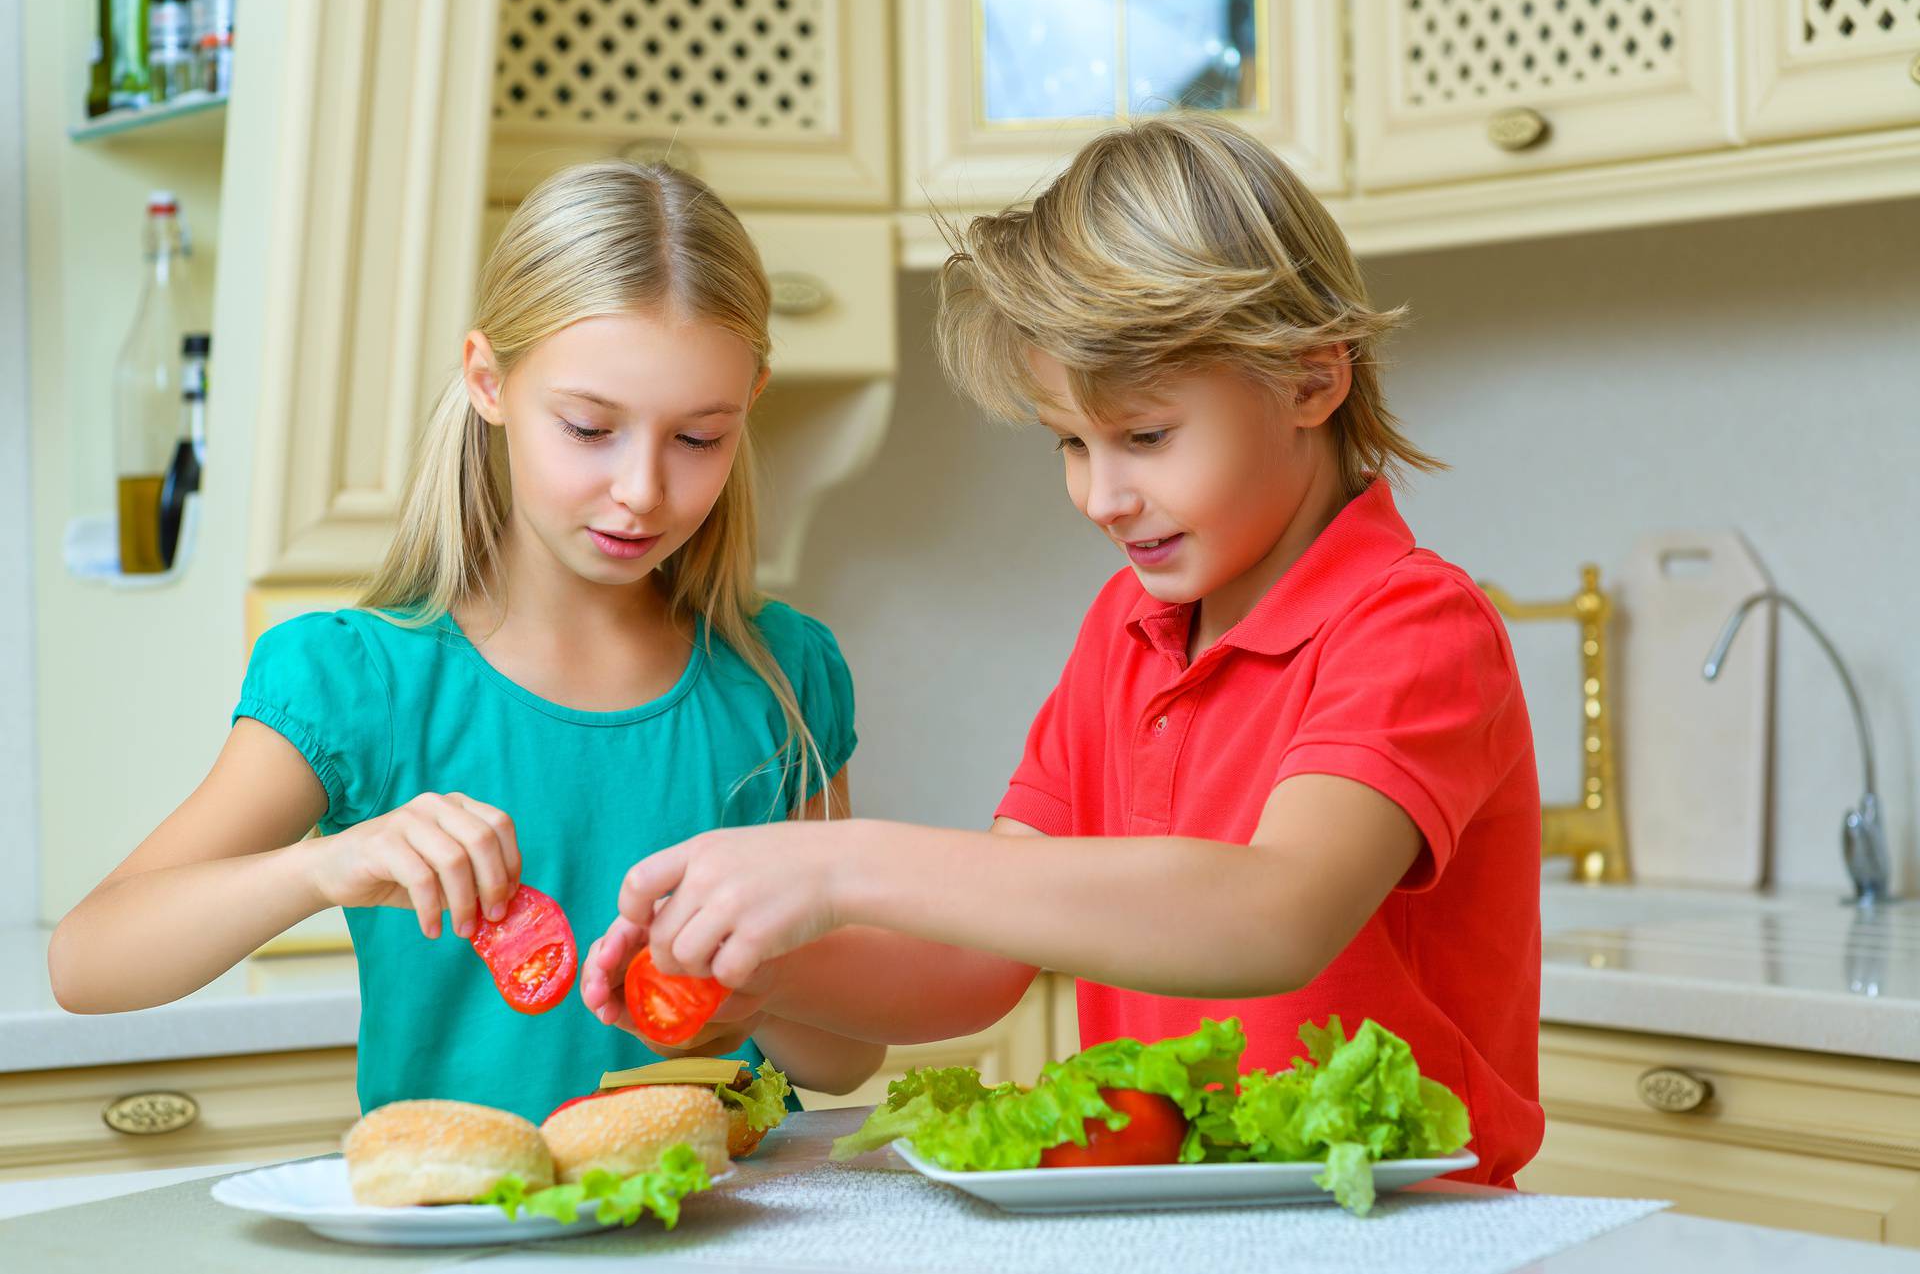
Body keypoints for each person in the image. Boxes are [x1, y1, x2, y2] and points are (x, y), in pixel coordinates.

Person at [581, 115, 1545, 1186]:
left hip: (1405, 1241)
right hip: (1167, 1226)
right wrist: (763, 972)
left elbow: (1276, 913)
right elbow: (976, 963)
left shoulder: (1414, 625)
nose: (1101, 495)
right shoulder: (1127, 631)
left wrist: (839, 862)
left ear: (1314, 383)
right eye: (1071, 446)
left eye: (1144, 437)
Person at [48, 161, 883, 1124]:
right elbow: (87, 961)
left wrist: (754, 974)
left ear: (751, 403)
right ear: (488, 381)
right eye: (589, 427)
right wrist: (328, 865)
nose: (644, 489)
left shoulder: (783, 676)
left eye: (699, 439)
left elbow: (848, 1058)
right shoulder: (355, 680)